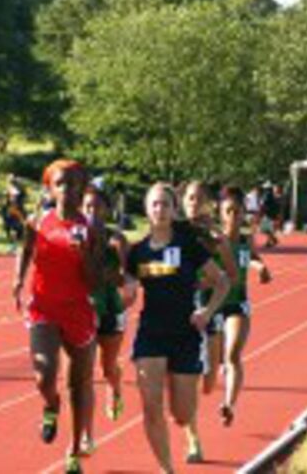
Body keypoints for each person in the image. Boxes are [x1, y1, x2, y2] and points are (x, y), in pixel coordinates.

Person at [124, 182, 230, 473]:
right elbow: (128, 292)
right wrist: (121, 296)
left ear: (174, 210)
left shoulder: (188, 246)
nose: (159, 209)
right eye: (154, 204)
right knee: (150, 407)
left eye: (165, 204)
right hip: (151, 335)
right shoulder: (137, 252)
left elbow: (222, 281)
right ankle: (167, 468)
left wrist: (207, 312)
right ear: (147, 209)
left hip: (185, 334)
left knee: (182, 415)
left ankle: (185, 421)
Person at [13, 159, 99, 474]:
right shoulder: (39, 220)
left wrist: (84, 254)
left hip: (78, 310)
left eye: (72, 183)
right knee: (43, 375)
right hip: (44, 307)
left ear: (81, 188)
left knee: (79, 384)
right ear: (50, 187)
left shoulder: (91, 227)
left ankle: (74, 450)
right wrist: (17, 280)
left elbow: (95, 281)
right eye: (60, 183)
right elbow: (25, 248)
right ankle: (51, 404)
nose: (66, 189)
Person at [179, 180, 238, 462]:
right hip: (181, 312)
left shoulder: (215, 235)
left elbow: (232, 274)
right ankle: (193, 440)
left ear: (208, 203)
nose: (193, 202)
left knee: (208, 381)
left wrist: (204, 283)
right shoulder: (175, 230)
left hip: (209, 311)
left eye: (199, 198)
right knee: (188, 380)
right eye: (190, 197)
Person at [210, 186, 272, 426]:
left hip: (237, 304)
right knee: (215, 362)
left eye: (238, 211)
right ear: (221, 213)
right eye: (229, 211)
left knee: (233, 354)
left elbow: (252, 258)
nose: (234, 217)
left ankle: (228, 404)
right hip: (213, 304)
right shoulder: (214, 241)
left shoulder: (246, 240)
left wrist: (261, 268)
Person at [80, 185, 129, 455]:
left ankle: (115, 386)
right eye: (87, 207)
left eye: (97, 207)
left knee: (107, 368)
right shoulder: (76, 238)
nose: (92, 213)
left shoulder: (116, 239)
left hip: (110, 309)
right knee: (84, 376)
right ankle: (87, 436)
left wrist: (117, 262)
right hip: (84, 312)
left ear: (107, 210)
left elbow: (126, 278)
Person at [1, 173, 27, 245]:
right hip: (10, 208)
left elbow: (18, 197)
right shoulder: (9, 188)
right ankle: (11, 235)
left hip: (16, 208)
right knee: (9, 222)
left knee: (19, 222)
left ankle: (18, 235)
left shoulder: (19, 188)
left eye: (12, 179)